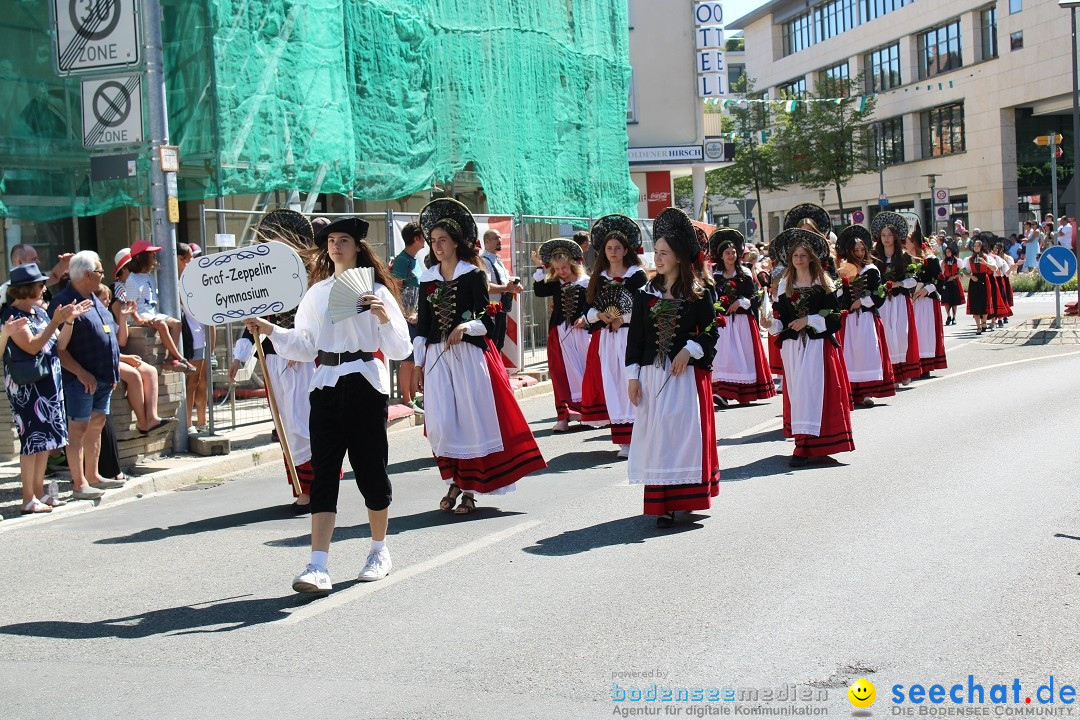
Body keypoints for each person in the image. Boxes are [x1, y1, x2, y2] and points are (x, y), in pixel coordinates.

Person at [244, 215, 412, 593]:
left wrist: (383, 318)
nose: (336, 245)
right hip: (325, 384)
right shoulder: (317, 293)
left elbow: (401, 348)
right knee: (324, 474)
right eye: (331, 240)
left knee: (371, 470)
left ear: (357, 247)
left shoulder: (378, 292)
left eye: (344, 240)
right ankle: (318, 564)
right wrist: (269, 329)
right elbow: (305, 346)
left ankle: (379, 550)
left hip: (366, 382)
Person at [412, 199, 546, 515]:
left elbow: (486, 315)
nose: (437, 245)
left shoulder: (473, 275)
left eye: (443, 240)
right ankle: (457, 479)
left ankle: (468, 489)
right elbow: (424, 326)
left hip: (469, 358)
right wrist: (418, 363)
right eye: (433, 241)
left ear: (457, 242)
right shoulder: (427, 279)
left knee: (470, 424)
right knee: (443, 424)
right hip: (436, 359)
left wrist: (466, 325)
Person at [625, 208, 719, 528]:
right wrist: (633, 378)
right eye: (657, 252)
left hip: (682, 379)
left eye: (664, 253)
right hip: (652, 377)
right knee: (657, 438)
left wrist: (689, 350)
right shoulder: (645, 295)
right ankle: (661, 504)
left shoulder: (698, 293)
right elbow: (635, 340)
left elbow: (711, 332)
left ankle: (683, 498)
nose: (658, 258)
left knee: (679, 436)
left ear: (678, 256)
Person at [230, 209, 319, 510]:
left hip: (304, 359)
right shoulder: (264, 278)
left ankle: (318, 484)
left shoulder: (312, 275)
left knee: (305, 424)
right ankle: (300, 486)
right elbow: (252, 321)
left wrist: (298, 346)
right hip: (273, 359)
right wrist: (241, 356)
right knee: (285, 427)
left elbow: (318, 319)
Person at [2, 264, 93, 512]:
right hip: (27, 388)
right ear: (27, 288)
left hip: (49, 384)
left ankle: (39, 494)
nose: (44, 288)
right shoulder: (11, 317)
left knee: (44, 442)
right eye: (40, 284)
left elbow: (58, 344)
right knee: (31, 442)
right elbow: (32, 347)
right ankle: (27, 498)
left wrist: (69, 322)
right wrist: (55, 321)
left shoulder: (39, 313)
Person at [768, 229, 854, 467]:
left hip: (818, 347)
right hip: (794, 348)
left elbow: (835, 317)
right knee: (799, 395)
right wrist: (769, 323)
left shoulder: (822, 282)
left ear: (811, 258)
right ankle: (803, 443)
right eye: (795, 255)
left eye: (803, 255)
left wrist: (809, 320)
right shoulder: (786, 285)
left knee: (816, 394)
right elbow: (783, 320)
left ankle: (811, 447)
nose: (799, 259)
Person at [49, 251, 126, 495]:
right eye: (100, 272)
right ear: (87, 274)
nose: (103, 277)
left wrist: (112, 371)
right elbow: (57, 348)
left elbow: (108, 335)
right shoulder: (63, 302)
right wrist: (80, 372)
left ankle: (93, 476)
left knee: (97, 424)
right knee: (78, 429)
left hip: (103, 378)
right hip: (78, 380)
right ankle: (79, 483)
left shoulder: (94, 298)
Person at [580, 214, 648, 457]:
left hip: (630, 335)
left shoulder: (637, 275)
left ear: (626, 250)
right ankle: (624, 440)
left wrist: (622, 318)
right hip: (608, 339)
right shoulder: (599, 278)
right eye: (609, 248)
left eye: (618, 248)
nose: (613, 252)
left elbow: (645, 307)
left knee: (633, 381)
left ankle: (641, 433)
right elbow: (586, 309)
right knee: (614, 384)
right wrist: (600, 316)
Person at [708, 228, 774, 406]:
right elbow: (712, 299)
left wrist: (740, 302)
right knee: (725, 357)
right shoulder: (715, 277)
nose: (731, 255)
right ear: (721, 256)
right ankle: (723, 392)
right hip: (725, 322)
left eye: (733, 252)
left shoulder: (744, 273)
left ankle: (743, 392)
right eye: (727, 253)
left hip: (743, 322)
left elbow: (754, 297)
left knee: (742, 356)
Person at [530, 238, 590, 432]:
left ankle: (588, 412)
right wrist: (539, 268)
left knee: (585, 370)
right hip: (560, 331)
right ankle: (563, 416)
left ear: (572, 264)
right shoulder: (556, 284)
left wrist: (586, 319)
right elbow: (539, 291)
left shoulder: (585, 283)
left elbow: (592, 304)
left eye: (564, 267)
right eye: (557, 268)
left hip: (582, 332)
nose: (561, 271)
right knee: (560, 372)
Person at [835, 225, 894, 407]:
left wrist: (862, 301)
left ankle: (868, 391)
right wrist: (840, 285)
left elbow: (879, 295)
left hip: (867, 317)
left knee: (867, 352)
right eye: (856, 250)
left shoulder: (872, 270)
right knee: (850, 354)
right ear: (849, 251)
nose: (860, 253)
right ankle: (852, 391)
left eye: (862, 249)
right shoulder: (844, 270)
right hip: (849, 318)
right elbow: (838, 297)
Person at [123, 239, 196, 373]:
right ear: (140, 257)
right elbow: (130, 305)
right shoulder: (132, 279)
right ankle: (180, 357)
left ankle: (171, 358)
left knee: (177, 323)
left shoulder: (149, 276)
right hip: (139, 315)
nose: (153, 258)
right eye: (150, 255)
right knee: (161, 325)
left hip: (152, 313)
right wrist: (139, 320)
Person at [872, 212, 920, 385]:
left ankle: (904, 372)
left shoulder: (905, 257)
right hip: (883, 301)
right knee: (886, 335)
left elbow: (913, 280)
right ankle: (891, 374)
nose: (886, 238)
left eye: (889, 235)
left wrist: (899, 284)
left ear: (895, 237)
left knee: (901, 335)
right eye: (883, 235)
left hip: (900, 301)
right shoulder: (875, 259)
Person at [390, 221, 425, 413]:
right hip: (407, 318)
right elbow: (396, 288)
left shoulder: (412, 259)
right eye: (424, 236)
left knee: (414, 359)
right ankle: (406, 398)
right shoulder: (403, 260)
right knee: (408, 359)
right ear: (416, 238)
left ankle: (413, 397)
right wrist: (405, 314)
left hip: (415, 316)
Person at [176, 243, 209, 433]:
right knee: (191, 381)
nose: (191, 262)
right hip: (191, 337)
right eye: (186, 259)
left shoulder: (192, 280)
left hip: (200, 335)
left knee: (201, 381)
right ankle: (187, 423)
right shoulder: (179, 282)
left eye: (192, 258)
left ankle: (201, 421)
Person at [906, 234, 947, 376]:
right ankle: (915, 365)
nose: (904, 244)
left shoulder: (930, 260)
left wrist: (926, 289)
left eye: (907, 242)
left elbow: (940, 281)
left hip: (927, 301)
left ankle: (926, 366)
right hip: (913, 302)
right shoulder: (906, 260)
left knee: (925, 332)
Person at [480, 228, 523, 352]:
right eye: (496, 238)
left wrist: (514, 287)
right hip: (491, 311)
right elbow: (486, 286)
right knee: (492, 345)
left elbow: (502, 281)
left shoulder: (497, 259)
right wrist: (506, 288)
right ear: (487, 242)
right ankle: (492, 371)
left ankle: (497, 370)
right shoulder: (484, 261)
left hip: (500, 309)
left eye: (500, 237)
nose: (500, 240)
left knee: (499, 344)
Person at [0, 244, 72, 308]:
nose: (38, 262)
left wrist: (64, 263)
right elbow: (46, 308)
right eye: (34, 259)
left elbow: (54, 275)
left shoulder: (33, 279)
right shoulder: (14, 288)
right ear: (20, 262)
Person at [962, 236, 993, 334]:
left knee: (984, 301)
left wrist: (986, 263)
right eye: (974, 246)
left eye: (978, 246)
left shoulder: (986, 257)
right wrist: (971, 276)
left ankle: (984, 322)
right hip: (974, 280)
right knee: (975, 303)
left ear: (981, 247)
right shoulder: (969, 259)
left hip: (984, 279)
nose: (976, 247)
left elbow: (994, 268)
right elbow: (963, 270)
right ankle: (978, 326)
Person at [938, 241, 966, 325]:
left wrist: (954, 277)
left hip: (954, 282)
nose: (947, 253)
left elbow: (962, 272)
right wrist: (942, 267)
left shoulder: (958, 261)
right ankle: (948, 316)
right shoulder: (943, 262)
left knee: (954, 301)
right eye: (946, 252)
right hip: (946, 282)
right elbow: (941, 273)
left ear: (952, 252)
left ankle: (954, 317)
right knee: (946, 300)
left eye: (949, 251)